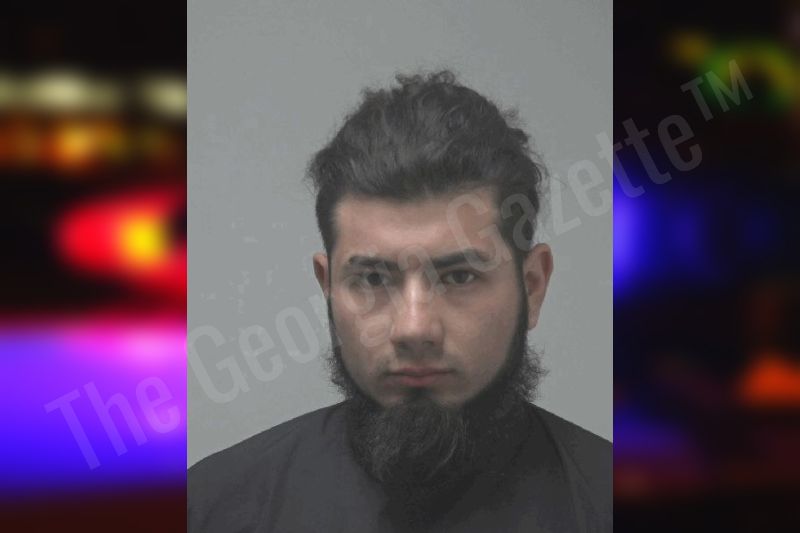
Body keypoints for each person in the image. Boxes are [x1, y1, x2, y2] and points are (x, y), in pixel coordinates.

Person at [188, 71, 611, 532]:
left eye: (460, 276)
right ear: (328, 286)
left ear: (532, 286)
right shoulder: (212, 509)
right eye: (372, 278)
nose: (414, 328)